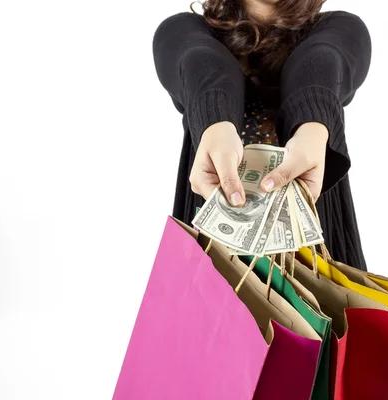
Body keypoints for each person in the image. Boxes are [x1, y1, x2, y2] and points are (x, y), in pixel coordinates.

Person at [152, 0, 372, 270]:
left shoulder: (341, 30)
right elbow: (199, 60)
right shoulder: (183, 31)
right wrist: (216, 122)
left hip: (317, 251)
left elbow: (323, 59)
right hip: (213, 247)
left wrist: (312, 124)